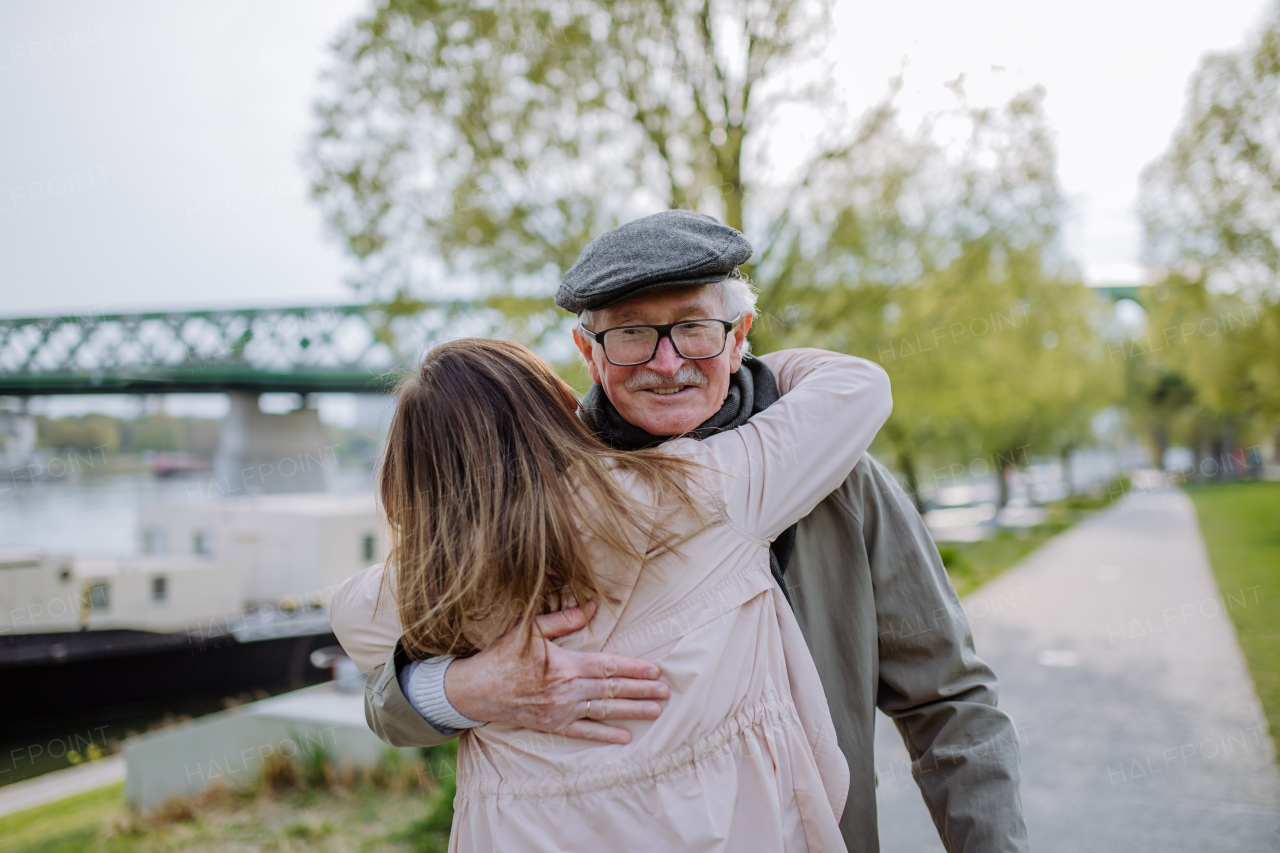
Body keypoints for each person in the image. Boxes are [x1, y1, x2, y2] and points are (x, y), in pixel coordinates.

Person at [334, 211, 1029, 852]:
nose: (668, 364)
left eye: (696, 328)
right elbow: (385, 693)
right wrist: (463, 689)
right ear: (589, 350)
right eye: (633, 333)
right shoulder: (523, 505)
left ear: (740, 334)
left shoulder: (842, 478)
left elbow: (948, 700)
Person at [334, 335, 892, 851]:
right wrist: (745, 356)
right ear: (560, 398)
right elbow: (857, 388)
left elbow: (350, 616)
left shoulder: (437, 588)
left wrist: (456, 685)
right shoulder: (689, 487)